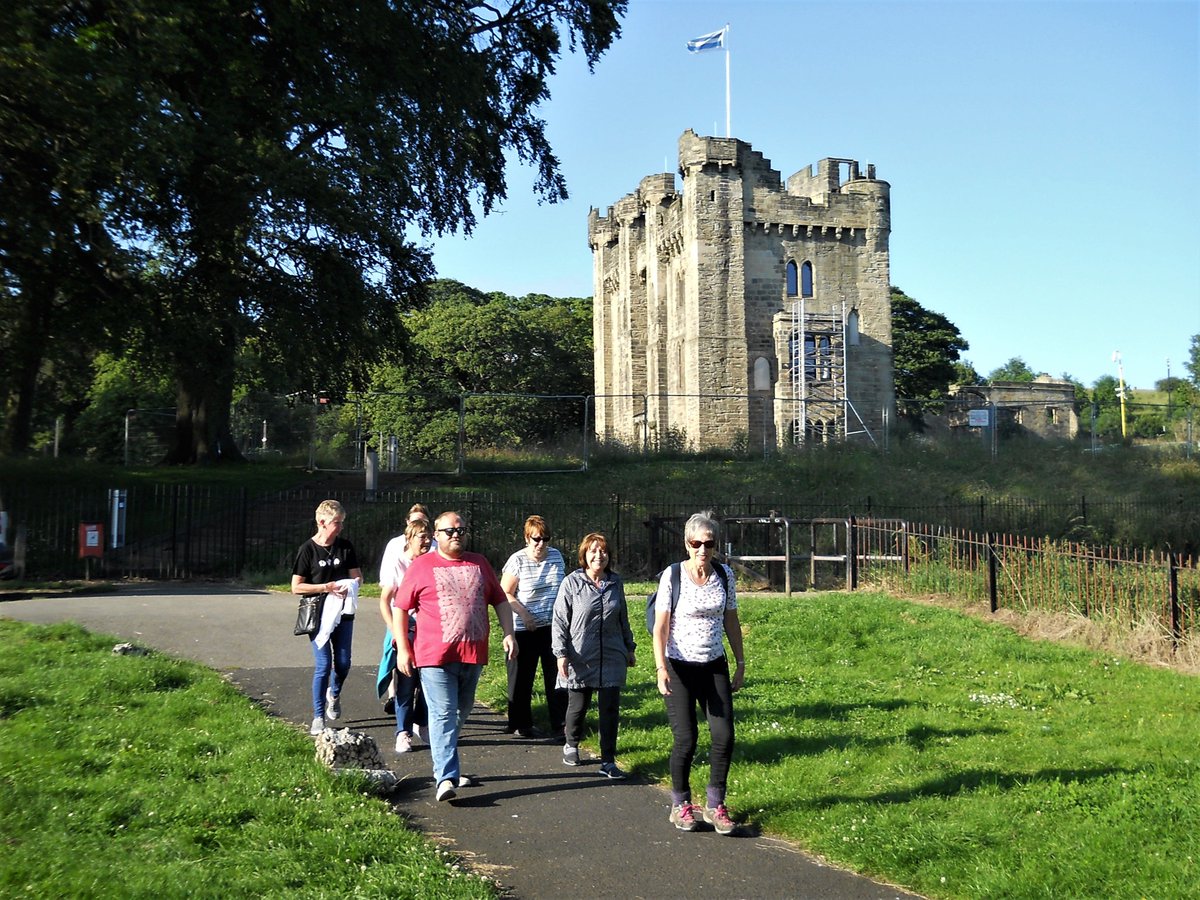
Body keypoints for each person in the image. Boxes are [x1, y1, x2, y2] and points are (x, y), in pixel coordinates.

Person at [393, 511, 517, 802]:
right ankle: (445, 778)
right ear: (436, 535)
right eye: (449, 531)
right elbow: (400, 607)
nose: (456, 535)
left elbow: (499, 599)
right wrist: (402, 648)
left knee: (460, 712)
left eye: (461, 530)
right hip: (434, 656)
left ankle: (445, 761)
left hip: (473, 653)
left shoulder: (479, 562)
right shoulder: (421, 566)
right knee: (443, 714)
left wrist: (509, 633)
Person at [651, 511, 745, 835]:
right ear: (686, 544)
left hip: (714, 664)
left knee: (724, 735)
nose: (703, 549)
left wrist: (741, 662)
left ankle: (716, 804)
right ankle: (680, 804)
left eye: (709, 543)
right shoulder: (672, 576)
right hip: (679, 666)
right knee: (686, 739)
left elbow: (731, 620)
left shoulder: (724, 575)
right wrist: (661, 667)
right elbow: (661, 626)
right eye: (696, 543)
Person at [552, 532, 636, 779]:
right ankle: (572, 743)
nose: (599, 556)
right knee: (577, 706)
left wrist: (629, 647)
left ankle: (608, 760)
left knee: (610, 709)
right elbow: (559, 620)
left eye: (603, 552)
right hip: (581, 654)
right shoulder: (572, 583)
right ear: (584, 556)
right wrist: (561, 653)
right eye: (593, 552)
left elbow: (623, 617)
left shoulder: (615, 583)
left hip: (612, 655)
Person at [291, 499, 363, 736]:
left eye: (342, 523)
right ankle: (318, 716)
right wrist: (325, 587)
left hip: (343, 613)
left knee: (343, 663)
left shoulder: (345, 547)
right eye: (337, 523)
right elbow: (296, 587)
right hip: (318, 615)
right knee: (323, 665)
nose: (340, 527)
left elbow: (358, 577)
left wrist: (349, 585)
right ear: (322, 522)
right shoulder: (307, 550)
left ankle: (334, 692)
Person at [501, 515, 568, 740]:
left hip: (552, 627)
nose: (541, 544)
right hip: (524, 628)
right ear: (527, 538)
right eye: (537, 539)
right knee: (522, 678)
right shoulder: (517, 560)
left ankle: (560, 724)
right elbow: (505, 593)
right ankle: (520, 723)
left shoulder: (557, 557)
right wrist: (524, 613)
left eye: (545, 539)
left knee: (556, 676)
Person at [378, 515, 432, 753]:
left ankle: (423, 723)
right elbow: (384, 601)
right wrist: (395, 632)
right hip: (405, 629)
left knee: (429, 681)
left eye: (430, 537)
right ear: (409, 539)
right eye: (422, 537)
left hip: (430, 630)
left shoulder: (433, 561)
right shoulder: (398, 563)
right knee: (406, 682)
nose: (428, 541)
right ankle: (403, 732)